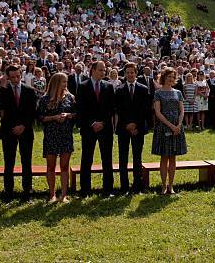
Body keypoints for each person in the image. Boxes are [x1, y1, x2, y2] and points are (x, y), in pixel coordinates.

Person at [0, 65, 37, 201]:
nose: (15, 79)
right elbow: (0, 106)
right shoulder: (4, 90)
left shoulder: (29, 90)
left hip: (25, 131)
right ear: (8, 77)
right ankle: (8, 193)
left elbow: (33, 112)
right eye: (12, 77)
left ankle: (28, 192)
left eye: (18, 76)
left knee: (26, 162)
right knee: (9, 162)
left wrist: (23, 125)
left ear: (21, 75)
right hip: (8, 131)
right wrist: (2, 86)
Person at [77, 60, 115, 197]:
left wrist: (103, 123)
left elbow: (111, 108)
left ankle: (108, 190)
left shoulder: (109, 87)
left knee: (107, 159)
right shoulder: (82, 86)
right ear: (92, 70)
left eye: (104, 70)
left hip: (105, 128)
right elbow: (81, 108)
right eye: (100, 70)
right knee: (87, 158)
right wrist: (92, 123)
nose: (103, 72)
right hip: (89, 129)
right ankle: (85, 190)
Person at [38, 73, 77, 203]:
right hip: (51, 135)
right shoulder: (45, 99)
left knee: (65, 166)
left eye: (66, 82)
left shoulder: (70, 98)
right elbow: (40, 118)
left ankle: (64, 195)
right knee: (51, 166)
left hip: (66, 135)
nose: (65, 84)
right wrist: (54, 118)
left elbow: (76, 114)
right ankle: (52, 194)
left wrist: (69, 115)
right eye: (63, 82)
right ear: (55, 83)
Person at [114, 62, 151, 194]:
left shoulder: (143, 88)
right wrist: (127, 125)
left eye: (132, 72)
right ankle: (124, 187)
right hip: (123, 128)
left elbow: (145, 109)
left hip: (138, 128)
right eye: (127, 72)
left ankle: (137, 186)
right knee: (122, 158)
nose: (130, 74)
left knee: (137, 157)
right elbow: (118, 109)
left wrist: (135, 124)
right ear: (125, 74)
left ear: (136, 73)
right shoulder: (119, 89)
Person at [152, 67, 186, 195]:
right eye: (169, 76)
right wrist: (171, 126)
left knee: (173, 157)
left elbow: (181, 110)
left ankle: (171, 186)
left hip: (177, 127)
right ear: (164, 77)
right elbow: (157, 112)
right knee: (164, 157)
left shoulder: (178, 92)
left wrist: (178, 125)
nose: (171, 79)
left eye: (173, 76)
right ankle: (163, 186)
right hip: (163, 126)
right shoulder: (158, 93)